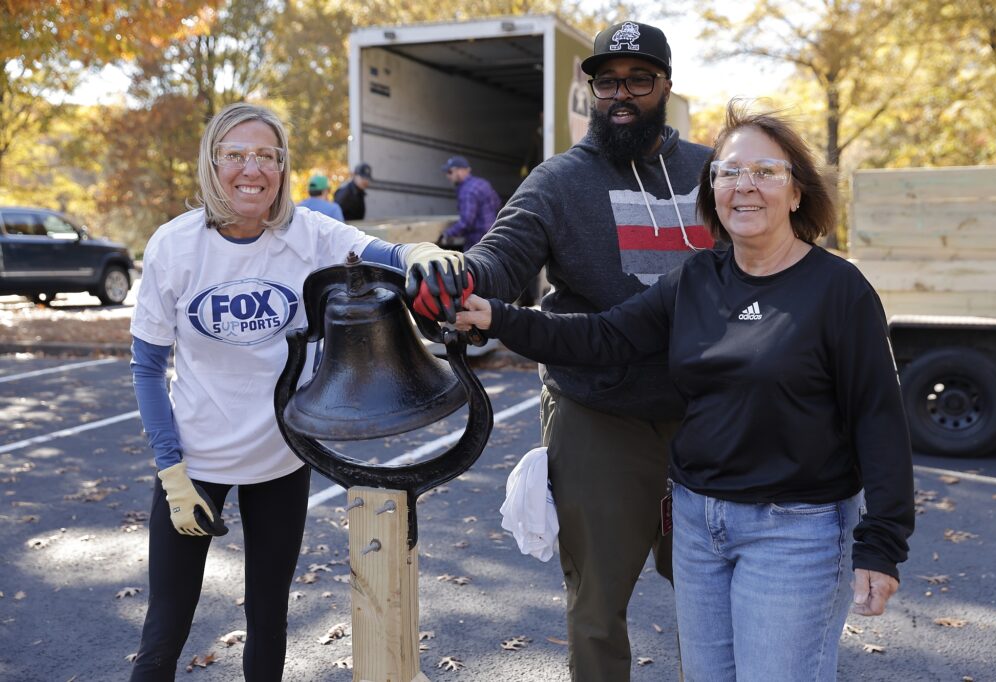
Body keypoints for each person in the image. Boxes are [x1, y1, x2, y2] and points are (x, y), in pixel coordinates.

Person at [454, 101, 916, 682]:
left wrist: (882, 543)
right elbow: (602, 337)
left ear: (796, 192)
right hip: (700, 526)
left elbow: (879, 419)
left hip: (794, 530)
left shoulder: (838, 291)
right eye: (729, 173)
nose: (745, 187)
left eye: (766, 172)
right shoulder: (697, 279)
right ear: (713, 194)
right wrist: (494, 316)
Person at [410, 21, 711, 681]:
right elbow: (500, 257)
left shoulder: (710, 171)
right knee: (599, 608)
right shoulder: (560, 181)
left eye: (638, 79)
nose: (621, 94)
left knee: (716, 599)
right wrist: (453, 273)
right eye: (606, 82)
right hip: (600, 413)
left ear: (665, 84)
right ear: (592, 92)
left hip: (710, 417)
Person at [127, 102, 464, 681]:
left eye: (266, 156)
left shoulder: (306, 234)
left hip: (283, 458)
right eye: (235, 155)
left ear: (282, 168)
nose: (250, 169)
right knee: (165, 628)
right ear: (212, 163)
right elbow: (147, 367)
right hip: (194, 466)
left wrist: (417, 253)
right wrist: (171, 470)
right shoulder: (174, 246)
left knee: (269, 616)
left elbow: (375, 251)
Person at [439, 155, 501, 250]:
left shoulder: (467, 191)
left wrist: (446, 234)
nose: (448, 176)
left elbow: (466, 223)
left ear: (459, 171)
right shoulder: (483, 183)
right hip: (493, 238)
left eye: (450, 172)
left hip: (477, 244)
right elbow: (498, 204)